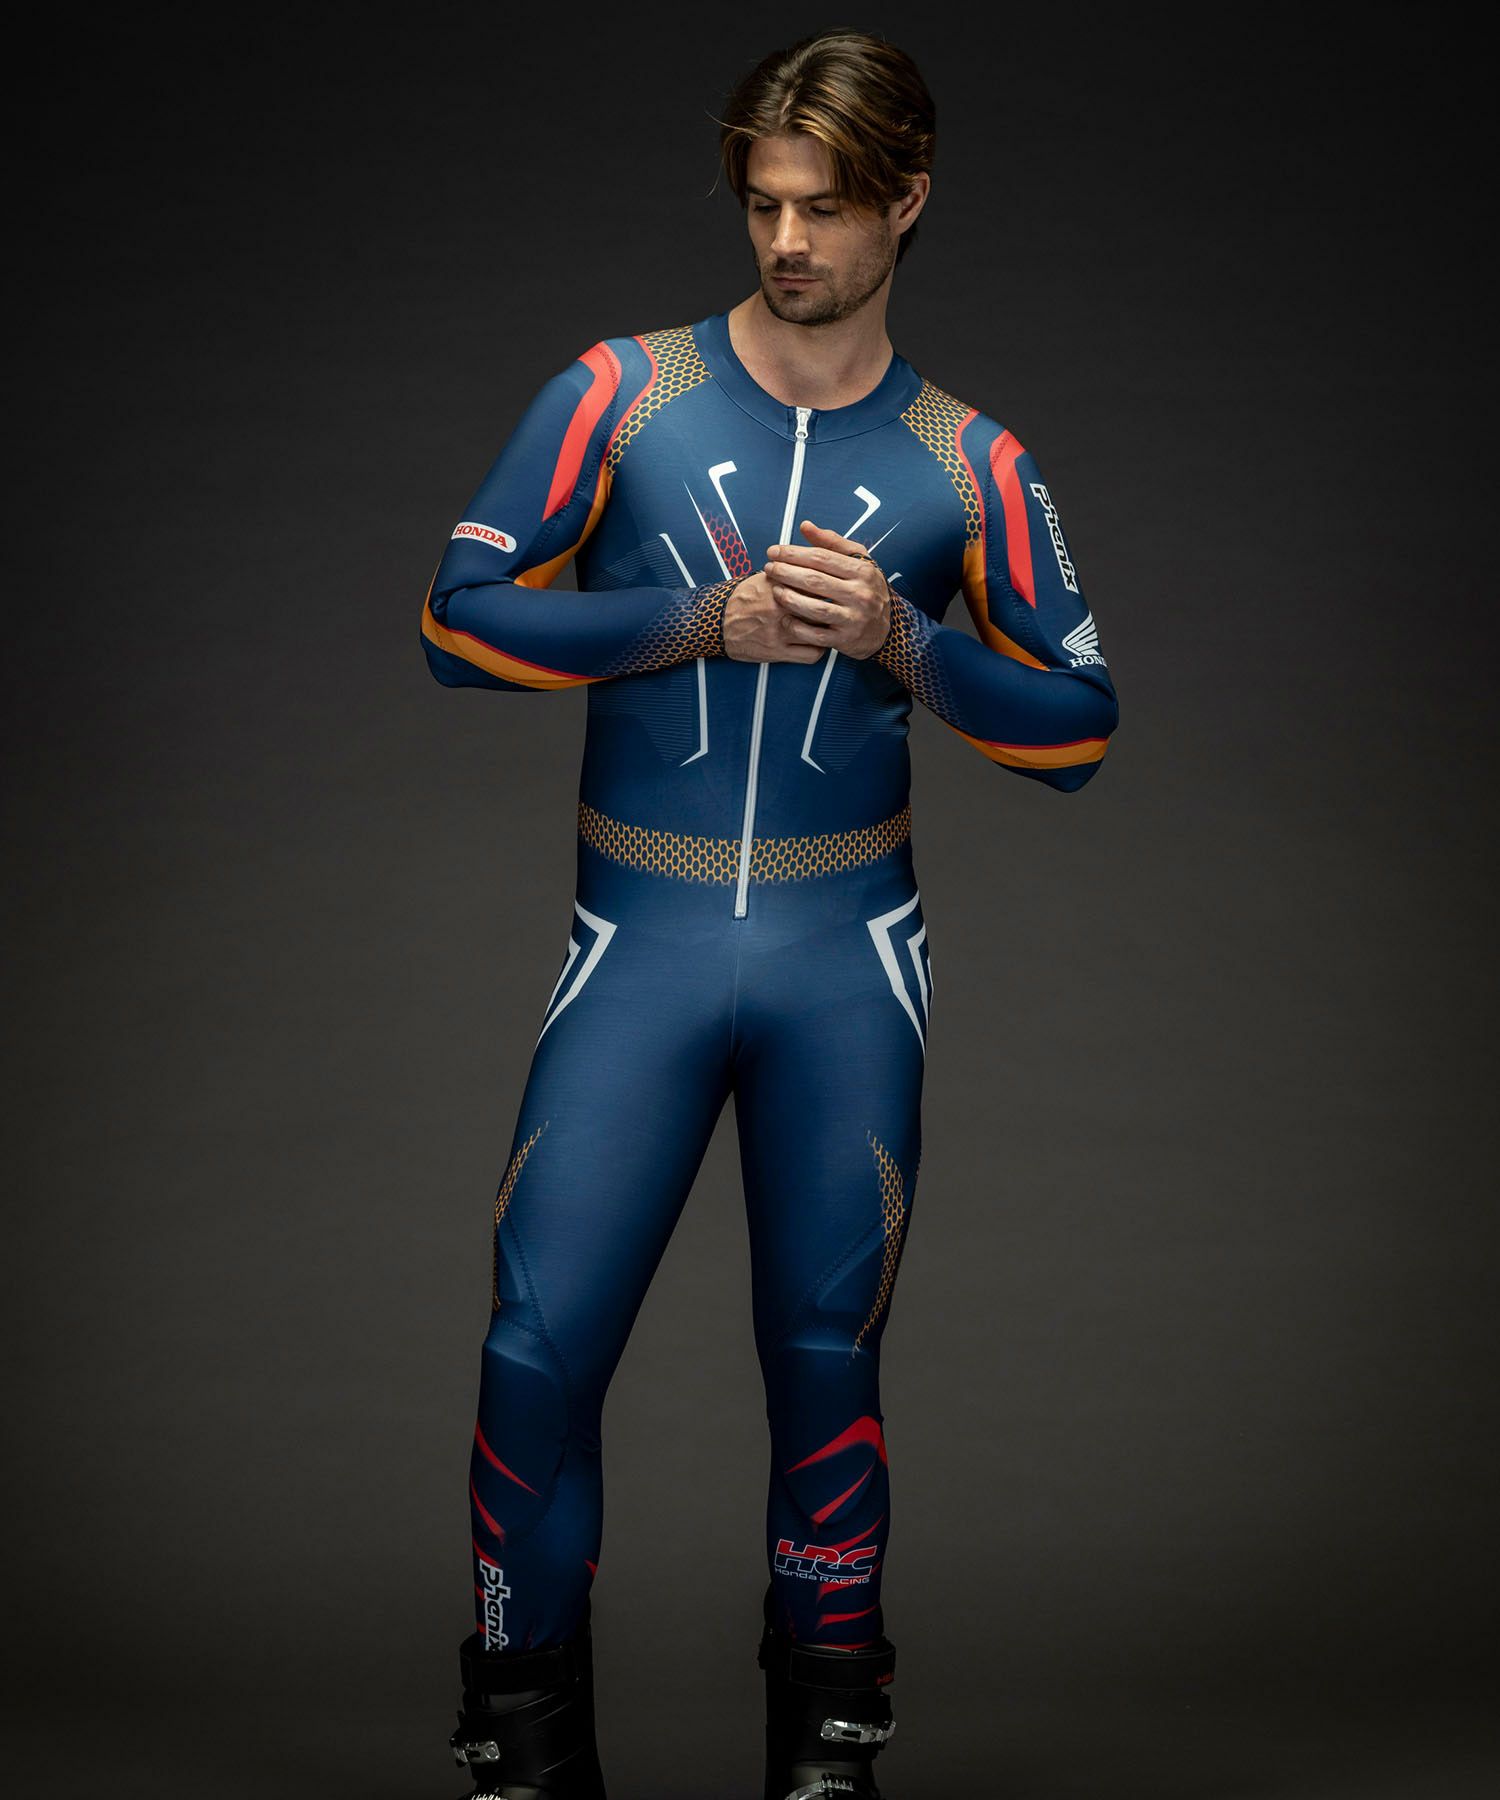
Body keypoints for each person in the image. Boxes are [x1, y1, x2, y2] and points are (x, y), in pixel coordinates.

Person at [419, 27, 1118, 1800]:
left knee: (824, 1359)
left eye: (824, 208)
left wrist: (905, 642)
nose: (787, 241)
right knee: (536, 1347)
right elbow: (455, 620)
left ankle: (830, 1751)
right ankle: (521, 1748)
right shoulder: (619, 392)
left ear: (909, 201)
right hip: (638, 946)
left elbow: (1080, 730)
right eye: (762, 204)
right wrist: (688, 625)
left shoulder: (972, 459)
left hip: (844, 962)